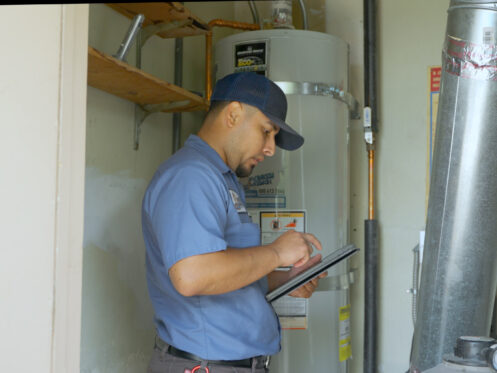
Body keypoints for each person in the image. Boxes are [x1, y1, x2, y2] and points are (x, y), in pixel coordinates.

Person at [142, 72, 325, 373]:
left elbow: (224, 274)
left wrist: (285, 278)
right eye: (266, 131)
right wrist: (277, 254)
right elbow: (193, 275)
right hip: (205, 366)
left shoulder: (221, 180)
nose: (270, 148)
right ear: (234, 114)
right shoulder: (190, 177)